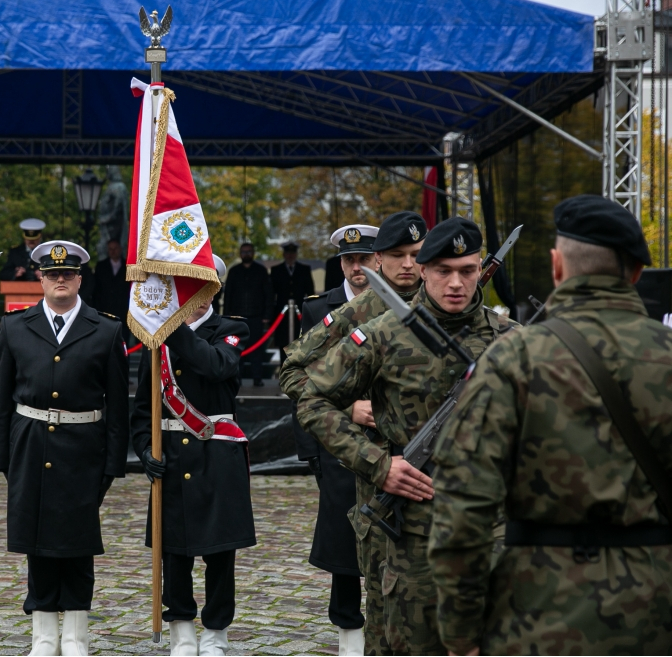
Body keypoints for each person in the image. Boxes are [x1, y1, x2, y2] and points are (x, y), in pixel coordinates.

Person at [428, 195, 672, 655]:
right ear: (637, 272)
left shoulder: (513, 359)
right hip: (657, 616)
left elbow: (462, 510)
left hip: (537, 618)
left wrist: (461, 635)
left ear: (557, 266)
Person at [296, 217, 515, 656]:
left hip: (490, 530)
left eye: (467, 271)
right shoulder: (382, 334)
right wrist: (378, 464)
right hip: (410, 532)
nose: (456, 283)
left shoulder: (513, 341)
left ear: (481, 271)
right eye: (443, 271)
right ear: (426, 271)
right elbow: (312, 400)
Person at [280, 211, 426, 656]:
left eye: (416, 256)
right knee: (354, 555)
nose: (407, 265)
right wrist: (348, 411)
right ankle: (351, 640)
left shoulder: (449, 304)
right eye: (395, 256)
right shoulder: (350, 312)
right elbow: (297, 375)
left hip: (431, 461)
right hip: (362, 457)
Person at [0, 240, 128, 656]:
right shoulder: (15, 327)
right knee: (36, 543)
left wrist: (113, 463)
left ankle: (75, 636)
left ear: (79, 277)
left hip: (83, 447)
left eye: (67, 274)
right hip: (30, 445)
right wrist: (2, 458)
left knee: (77, 544)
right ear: (40, 278)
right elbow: (1, 399)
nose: (60, 280)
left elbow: (119, 403)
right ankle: (44, 636)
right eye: (52, 274)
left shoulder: (105, 329)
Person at [133, 256, 254, 657]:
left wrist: (171, 328)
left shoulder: (231, 329)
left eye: (204, 286)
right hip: (171, 455)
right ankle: (182, 628)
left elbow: (218, 365)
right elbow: (141, 410)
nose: (196, 295)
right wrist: (141, 449)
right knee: (174, 550)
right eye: (187, 286)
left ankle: (216, 630)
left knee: (220, 551)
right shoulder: (157, 338)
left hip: (216, 453)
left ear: (216, 288)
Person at [302, 225, 380, 327]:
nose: (356, 268)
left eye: (364, 259)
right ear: (341, 264)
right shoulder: (315, 309)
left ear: (378, 261)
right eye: (349, 259)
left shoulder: (394, 305)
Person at [222, 243, 274, 386]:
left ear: (253, 253)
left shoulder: (261, 271)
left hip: (256, 316)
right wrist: (226, 317)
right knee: (236, 349)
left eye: (249, 252)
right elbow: (228, 296)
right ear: (240, 253)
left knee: (257, 350)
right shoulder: (234, 271)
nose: (246, 254)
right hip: (237, 318)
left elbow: (268, 294)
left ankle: (257, 379)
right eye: (243, 252)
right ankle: (236, 380)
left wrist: (267, 315)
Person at [270, 242, 315, 350]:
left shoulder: (304, 269)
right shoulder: (276, 270)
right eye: (288, 253)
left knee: (299, 343)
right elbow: (271, 293)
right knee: (283, 345)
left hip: (299, 311)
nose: (290, 255)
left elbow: (310, 291)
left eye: (292, 253)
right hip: (282, 313)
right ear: (284, 254)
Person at [92, 238, 130, 332]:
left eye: (115, 248)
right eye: (110, 249)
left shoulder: (128, 266)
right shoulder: (101, 266)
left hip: (124, 309)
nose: (113, 251)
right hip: (105, 309)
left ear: (120, 249)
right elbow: (97, 289)